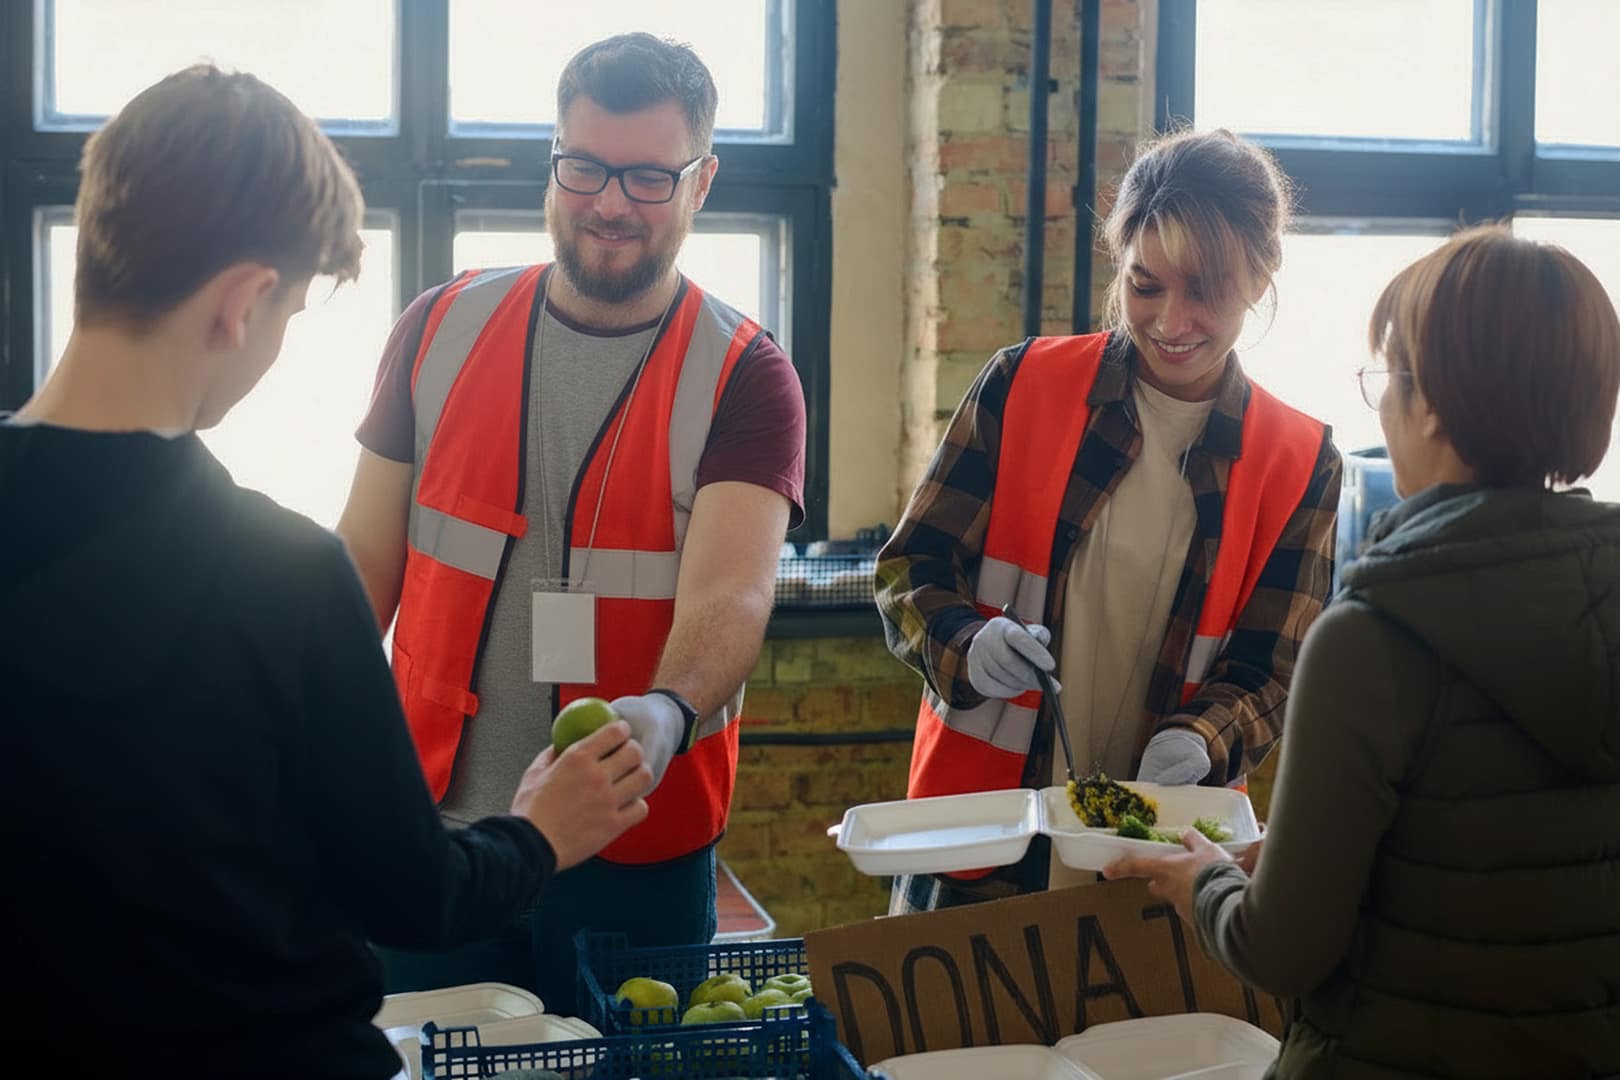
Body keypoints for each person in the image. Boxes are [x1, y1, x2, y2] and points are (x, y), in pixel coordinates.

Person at [0, 66, 653, 1079]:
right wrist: (539, 834)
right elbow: (412, 895)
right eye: (290, 314)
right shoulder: (282, 577)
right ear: (243, 301)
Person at [337, 33, 805, 1010]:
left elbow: (735, 591)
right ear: (553, 159)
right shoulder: (436, 329)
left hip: (634, 856)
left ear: (702, 182)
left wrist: (668, 709)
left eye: (646, 176)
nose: (609, 203)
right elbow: (362, 562)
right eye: (585, 166)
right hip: (440, 840)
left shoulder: (747, 376)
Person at [1105, 225, 1620, 1078]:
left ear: (1433, 404)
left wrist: (1207, 884)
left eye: (1388, 377)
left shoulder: (1377, 636)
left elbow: (1280, 952)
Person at [876, 128, 1342, 912]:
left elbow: (1274, 671)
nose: (1170, 320)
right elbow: (907, 569)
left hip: (1162, 859)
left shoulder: (1301, 459)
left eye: (1205, 290)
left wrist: (1200, 738)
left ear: (1262, 278)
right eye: (1145, 284)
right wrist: (965, 642)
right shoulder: (1021, 385)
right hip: (981, 845)